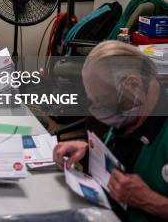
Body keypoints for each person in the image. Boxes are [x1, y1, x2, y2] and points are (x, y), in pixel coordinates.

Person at [53, 41, 168, 221]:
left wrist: (150, 201)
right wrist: (89, 151)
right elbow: (121, 156)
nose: (99, 112)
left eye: (103, 101)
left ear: (133, 85)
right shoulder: (133, 110)